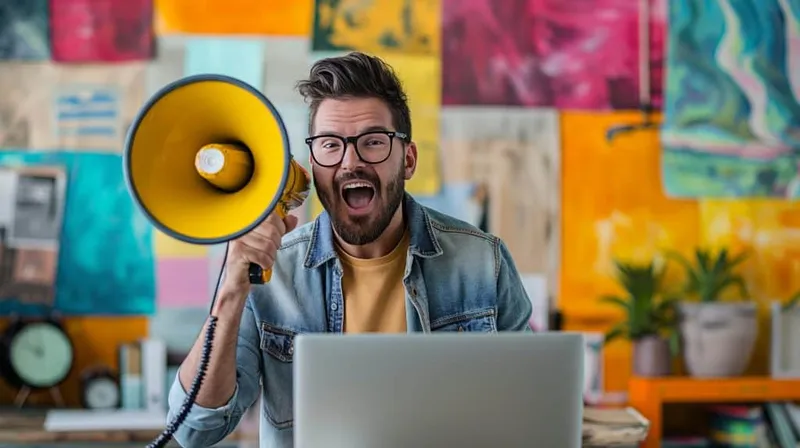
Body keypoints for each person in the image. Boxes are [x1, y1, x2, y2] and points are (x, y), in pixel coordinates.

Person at [167, 51, 533, 448]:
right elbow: (194, 430)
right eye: (330, 145)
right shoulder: (272, 275)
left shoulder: (483, 262)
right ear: (312, 164)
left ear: (407, 159)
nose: (350, 162)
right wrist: (231, 290)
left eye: (373, 142)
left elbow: (531, 409)